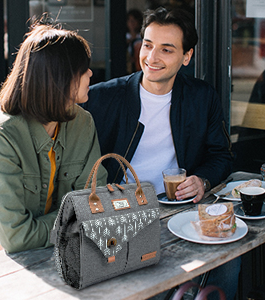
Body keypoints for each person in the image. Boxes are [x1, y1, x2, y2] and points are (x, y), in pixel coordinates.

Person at [83, 7, 238, 299]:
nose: (152, 58)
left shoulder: (202, 97)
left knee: (228, 261)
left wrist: (202, 180)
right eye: (148, 44)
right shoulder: (103, 98)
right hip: (122, 214)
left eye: (166, 49)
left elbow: (222, 155)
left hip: (178, 209)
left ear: (187, 56)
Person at [0, 19, 107, 261]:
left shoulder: (82, 122)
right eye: (83, 69)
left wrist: (33, 229)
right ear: (60, 78)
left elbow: (97, 201)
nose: (91, 73)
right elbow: (17, 238)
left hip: (55, 255)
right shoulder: (0, 135)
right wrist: (74, 218)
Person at [126, 9, 143, 73]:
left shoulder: (143, 37)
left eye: (134, 20)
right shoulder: (124, 37)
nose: (131, 23)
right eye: (129, 20)